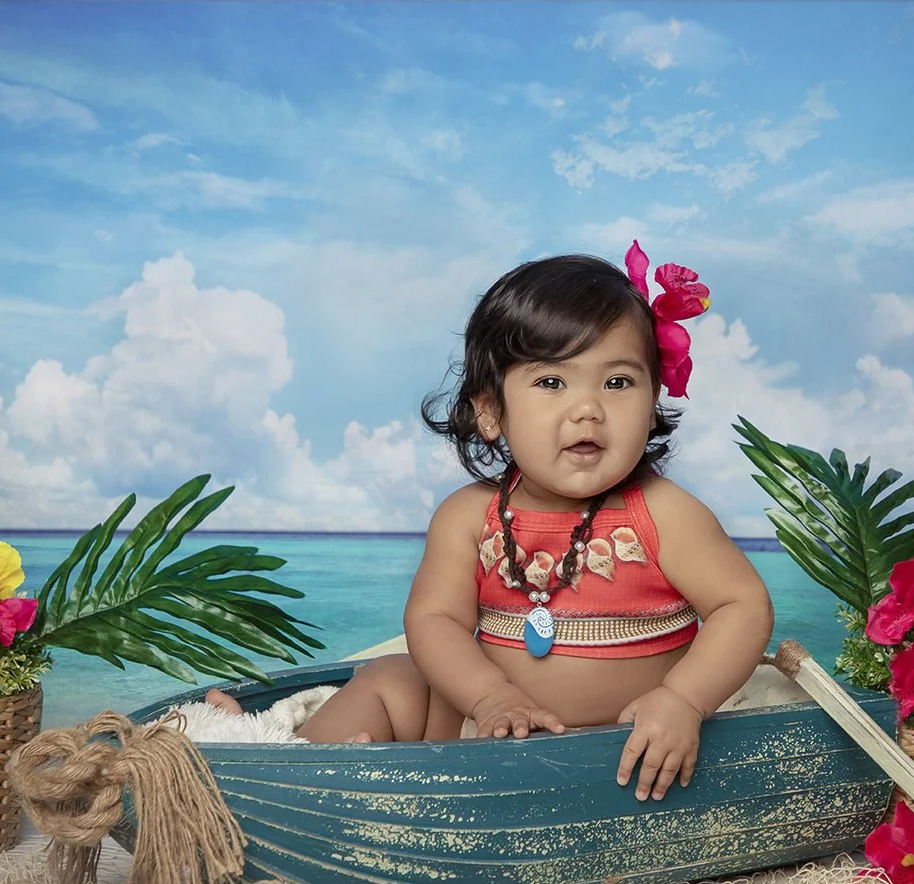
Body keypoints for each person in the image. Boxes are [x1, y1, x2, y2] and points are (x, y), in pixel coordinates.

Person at [209, 241, 774, 803]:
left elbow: (741, 605)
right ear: (490, 412)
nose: (588, 408)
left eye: (618, 382)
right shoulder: (468, 517)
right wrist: (489, 696)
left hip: (622, 748)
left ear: (651, 405)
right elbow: (435, 619)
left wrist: (683, 699)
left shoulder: (663, 512)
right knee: (389, 678)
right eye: (552, 382)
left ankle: (319, 770)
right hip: (478, 730)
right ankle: (281, 767)